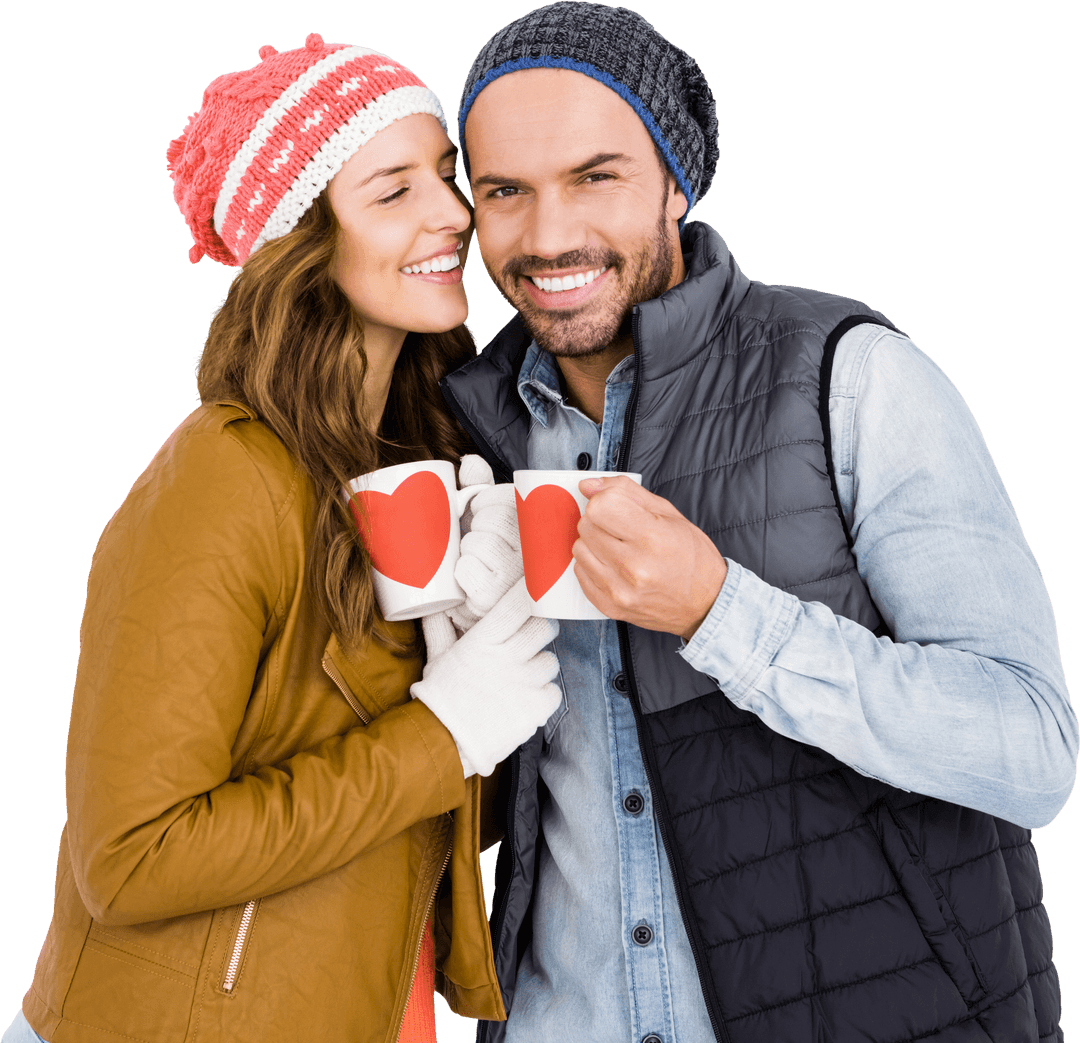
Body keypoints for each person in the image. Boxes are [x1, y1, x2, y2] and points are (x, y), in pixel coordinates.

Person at [440, 4, 1078, 1042]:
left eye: (595, 177)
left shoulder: (851, 376)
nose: (548, 235)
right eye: (506, 191)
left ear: (675, 183)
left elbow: (1030, 749)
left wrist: (720, 609)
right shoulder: (464, 434)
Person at [3, 34, 559, 1043]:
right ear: (302, 241)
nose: (454, 213)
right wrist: (441, 727)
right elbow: (130, 856)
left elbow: (411, 816)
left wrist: (471, 665)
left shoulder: (414, 462)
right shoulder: (226, 475)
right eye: (392, 192)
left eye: (445, 177)